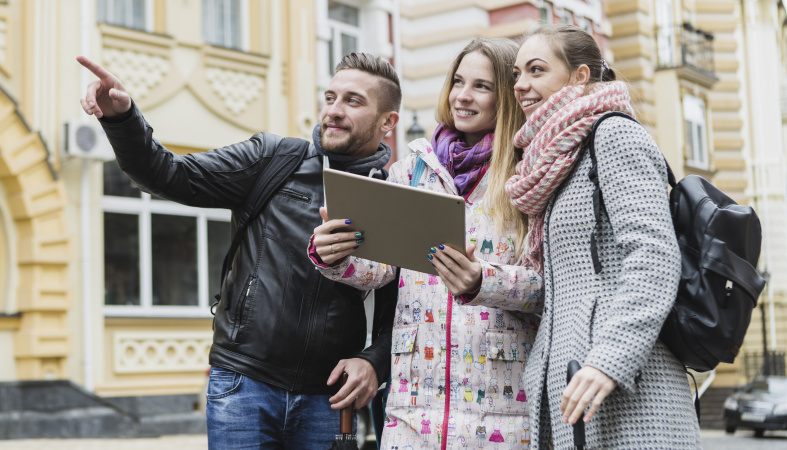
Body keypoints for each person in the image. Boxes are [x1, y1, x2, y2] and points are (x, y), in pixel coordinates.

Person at [77, 52, 400, 449]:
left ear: (388, 122)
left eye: (353, 101)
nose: (333, 110)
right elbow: (168, 174)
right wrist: (123, 118)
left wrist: (374, 361)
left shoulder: (393, 197)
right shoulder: (273, 158)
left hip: (329, 398)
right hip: (244, 385)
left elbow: (401, 309)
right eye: (330, 97)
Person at [309, 38, 543, 449]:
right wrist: (337, 257)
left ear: (506, 96)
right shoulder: (412, 168)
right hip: (413, 408)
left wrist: (482, 281)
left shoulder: (530, 173)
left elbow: (551, 286)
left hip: (503, 413)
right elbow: (382, 268)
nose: (463, 97)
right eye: (457, 82)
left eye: (481, 86)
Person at [507, 24, 701, 447]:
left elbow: (653, 255)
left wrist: (609, 361)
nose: (521, 85)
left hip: (628, 387)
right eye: (517, 74)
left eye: (536, 70)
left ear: (579, 75)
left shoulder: (612, 134)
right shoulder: (556, 157)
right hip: (570, 386)